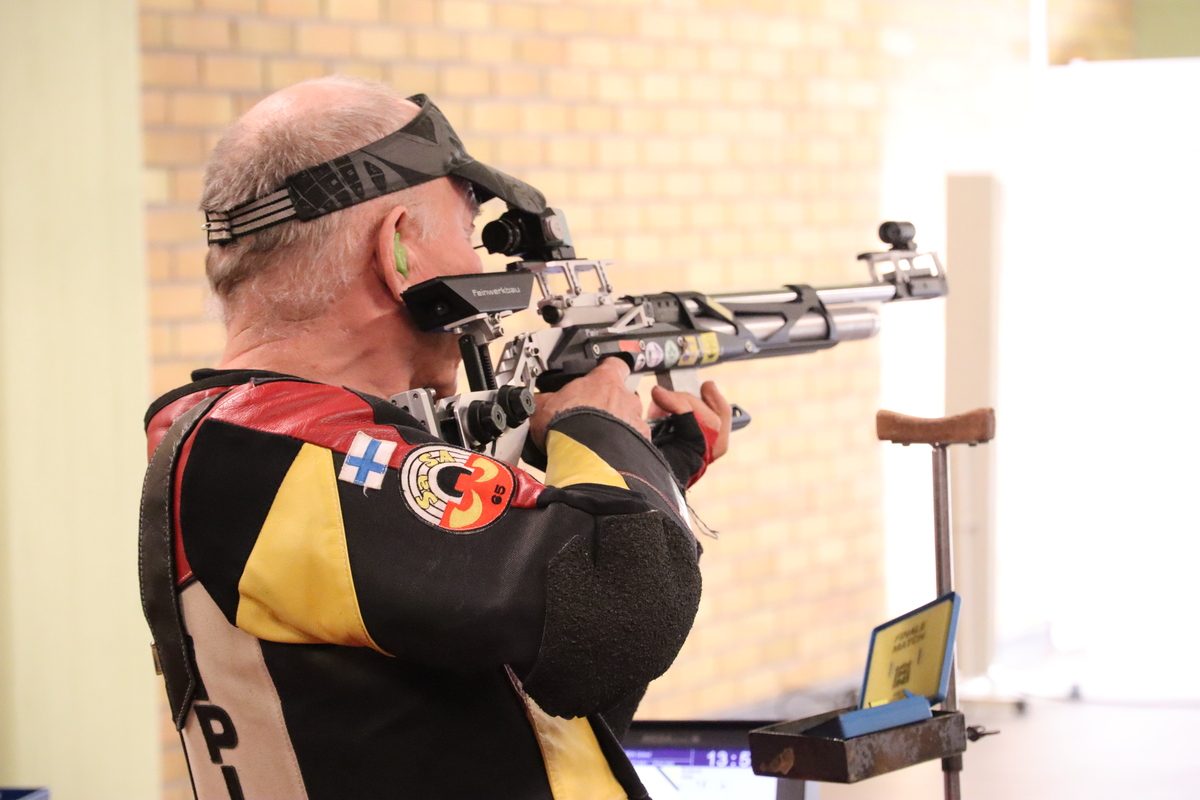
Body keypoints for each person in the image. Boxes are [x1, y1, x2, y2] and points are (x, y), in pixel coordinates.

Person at [140, 76, 732, 800]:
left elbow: (564, 678)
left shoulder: (265, 446)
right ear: (398, 250)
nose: (479, 268)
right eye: (468, 235)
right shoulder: (285, 456)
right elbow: (625, 606)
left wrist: (651, 471)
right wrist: (599, 423)